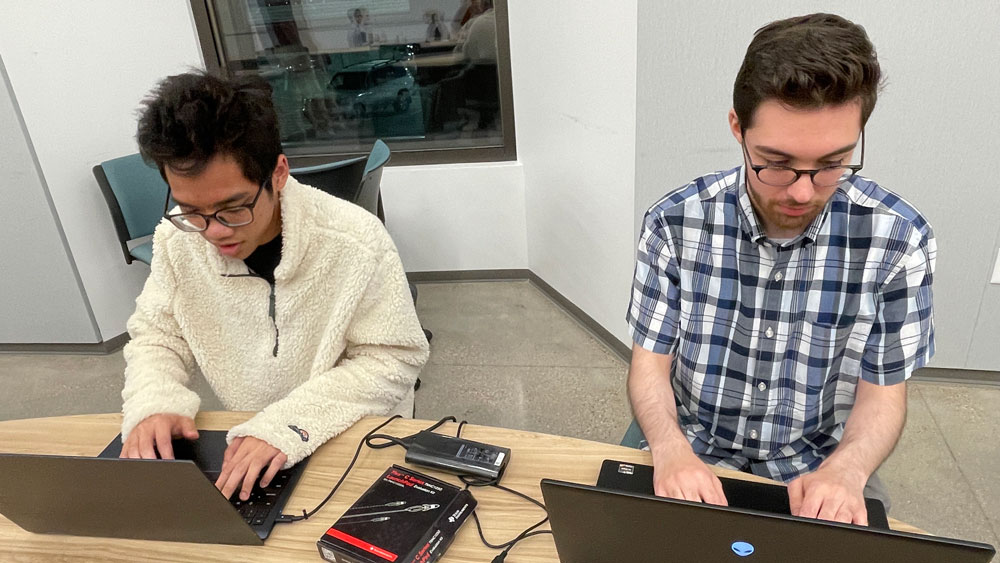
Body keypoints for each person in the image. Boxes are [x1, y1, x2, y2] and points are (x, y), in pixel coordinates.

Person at [626, 13, 935, 526]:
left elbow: (883, 394)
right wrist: (668, 446)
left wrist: (848, 469)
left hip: (822, 459)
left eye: (832, 163)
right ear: (737, 128)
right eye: (776, 162)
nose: (802, 191)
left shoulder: (900, 240)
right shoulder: (673, 223)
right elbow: (650, 364)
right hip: (690, 440)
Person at [119, 71, 429, 503]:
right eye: (191, 210)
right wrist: (155, 401)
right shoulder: (177, 242)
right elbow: (158, 336)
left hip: (355, 436)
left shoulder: (355, 242)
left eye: (233, 208)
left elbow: (393, 358)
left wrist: (289, 425)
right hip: (252, 440)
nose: (213, 231)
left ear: (278, 173)